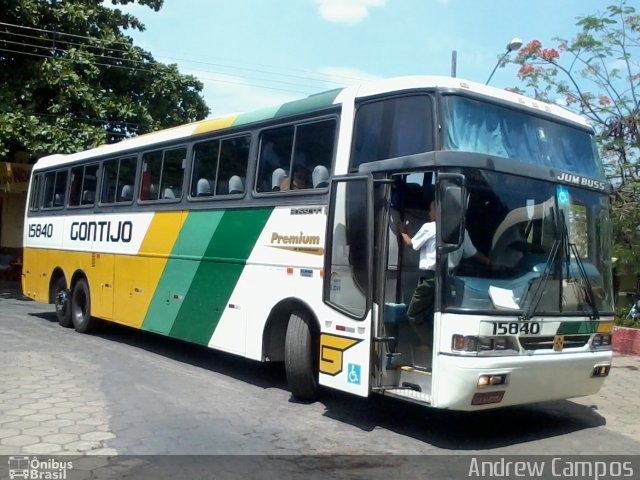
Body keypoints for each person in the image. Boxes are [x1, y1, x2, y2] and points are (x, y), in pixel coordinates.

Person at [398, 198, 437, 347]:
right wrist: (492, 264)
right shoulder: (461, 230)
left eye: (431, 209)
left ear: (438, 210)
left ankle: (430, 345)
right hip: (449, 279)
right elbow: (472, 253)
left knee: (413, 314)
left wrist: (403, 231)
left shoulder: (430, 227)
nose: (429, 213)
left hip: (430, 279)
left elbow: (411, 244)